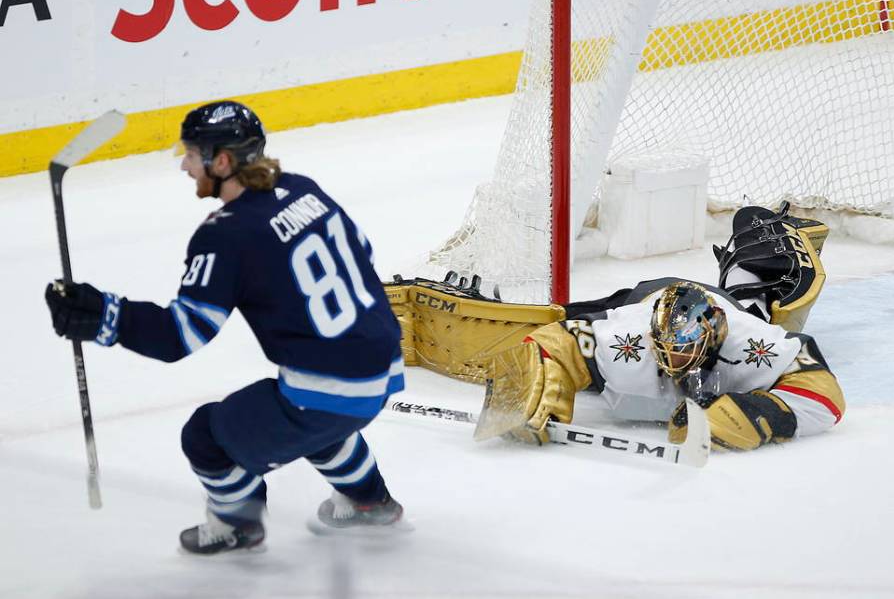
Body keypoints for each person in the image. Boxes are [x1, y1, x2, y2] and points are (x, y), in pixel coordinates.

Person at [44, 101, 405, 554]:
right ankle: (370, 502)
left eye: (192, 155)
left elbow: (181, 335)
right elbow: (364, 255)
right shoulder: (303, 189)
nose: (184, 165)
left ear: (222, 161)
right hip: (384, 366)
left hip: (333, 388)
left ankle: (239, 526)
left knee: (205, 436)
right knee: (319, 424)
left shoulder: (225, 234)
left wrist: (102, 315)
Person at [388, 204, 844, 452]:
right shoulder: (625, 339)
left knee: (756, 302)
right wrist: (528, 395)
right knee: (562, 319)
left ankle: (770, 237)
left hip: (723, 307)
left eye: (689, 357)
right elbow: (552, 342)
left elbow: (825, 396)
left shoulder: (751, 342)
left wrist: (744, 417)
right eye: (670, 358)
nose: (679, 368)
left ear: (716, 342)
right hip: (638, 301)